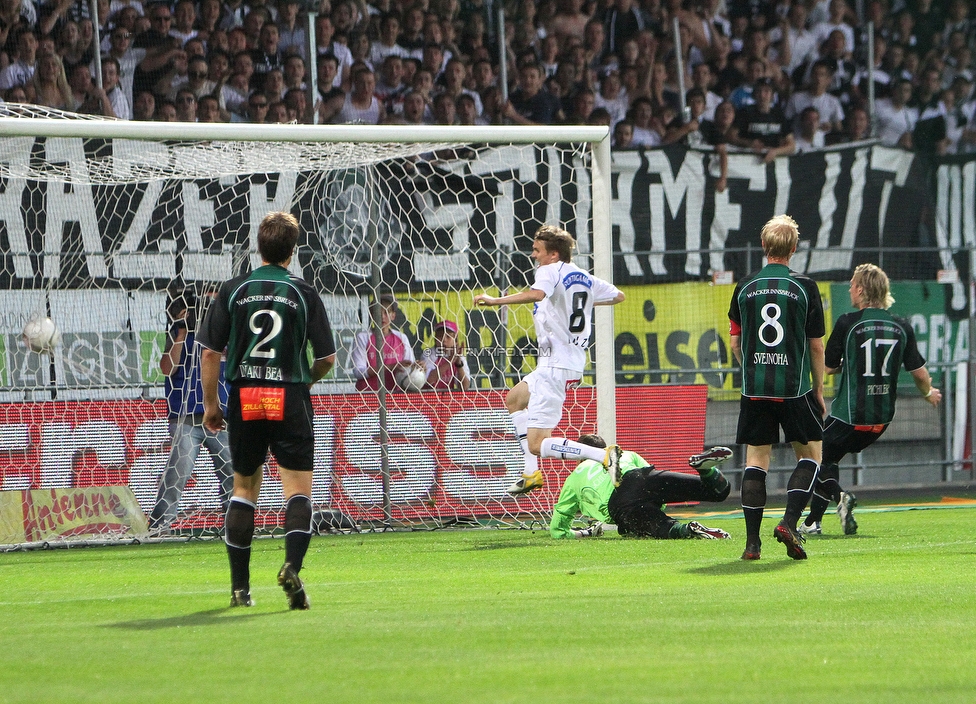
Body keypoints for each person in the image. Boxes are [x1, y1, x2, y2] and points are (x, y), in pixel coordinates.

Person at [197, 211, 337, 610]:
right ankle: (291, 567)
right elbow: (327, 357)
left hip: (245, 397)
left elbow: (209, 353)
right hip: (288, 396)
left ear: (258, 247)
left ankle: (240, 591)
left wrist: (212, 406)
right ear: (292, 252)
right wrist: (302, 383)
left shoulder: (233, 289)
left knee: (243, 490)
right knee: (296, 490)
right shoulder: (303, 291)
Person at [473, 225, 626, 496]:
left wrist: (495, 300)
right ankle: (530, 473)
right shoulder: (584, 277)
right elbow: (618, 296)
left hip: (556, 366)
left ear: (554, 254)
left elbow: (537, 294)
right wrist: (581, 304)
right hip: (563, 363)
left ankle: (604, 456)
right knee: (515, 399)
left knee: (536, 443)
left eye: (537, 250)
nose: (534, 256)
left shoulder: (548, 271)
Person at [799, 264, 943, 536]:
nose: (850, 289)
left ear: (861, 290)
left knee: (813, 456)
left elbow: (828, 367)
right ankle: (812, 523)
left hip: (850, 416)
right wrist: (928, 394)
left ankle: (841, 497)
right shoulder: (902, 326)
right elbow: (920, 374)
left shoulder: (847, 323)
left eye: (853, 285)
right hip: (881, 420)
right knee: (829, 460)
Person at [728, 214, 826, 561]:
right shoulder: (805, 288)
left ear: (764, 246)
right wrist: (818, 387)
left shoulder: (744, 287)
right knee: (811, 455)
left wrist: (751, 371)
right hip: (794, 388)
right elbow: (816, 346)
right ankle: (788, 522)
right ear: (794, 248)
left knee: (756, 460)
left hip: (755, 388)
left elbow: (736, 342)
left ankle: (752, 544)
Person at [148, 288, 234, 532]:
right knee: (179, 473)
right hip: (186, 417)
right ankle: (160, 525)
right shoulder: (177, 333)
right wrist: (182, 331)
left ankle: (234, 525)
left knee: (232, 472)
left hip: (221, 415)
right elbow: (167, 368)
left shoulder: (224, 333)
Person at [550, 436, 734, 540]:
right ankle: (704, 469)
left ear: (579, 458)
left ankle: (690, 529)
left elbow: (558, 531)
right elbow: (647, 472)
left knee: (663, 528)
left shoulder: (573, 480)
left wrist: (584, 532)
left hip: (620, 504)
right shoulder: (626, 453)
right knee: (718, 492)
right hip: (642, 477)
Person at [350, 293, 424, 392]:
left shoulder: (402, 337)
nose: (382, 317)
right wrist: (391, 366)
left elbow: (409, 368)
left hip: (395, 395)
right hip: (368, 395)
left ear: (393, 315)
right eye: (378, 312)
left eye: (386, 312)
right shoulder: (363, 338)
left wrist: (418, 369)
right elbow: (359, 372)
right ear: (371, 315)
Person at [422, 320, 471, 391]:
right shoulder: (428, 354)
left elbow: (464, 387)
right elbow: (429, 380)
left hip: (448, 399)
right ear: (435, 338)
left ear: (455, 339)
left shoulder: (460, 357)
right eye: (440, 336)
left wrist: (458, 363)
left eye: (448, 336)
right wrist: (449, 362)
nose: (444, 340)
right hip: (428, 398)